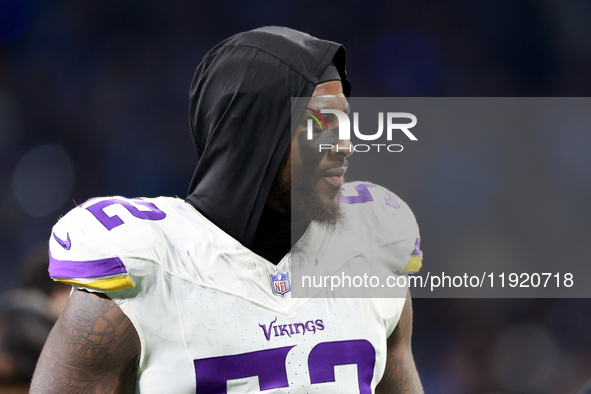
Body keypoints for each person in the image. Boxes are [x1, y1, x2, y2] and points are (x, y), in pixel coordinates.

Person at [31, 26, 424, 393]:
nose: (344, 146)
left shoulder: (371, 249)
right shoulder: (147, 273)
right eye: (319, 125)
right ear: (253, 133)